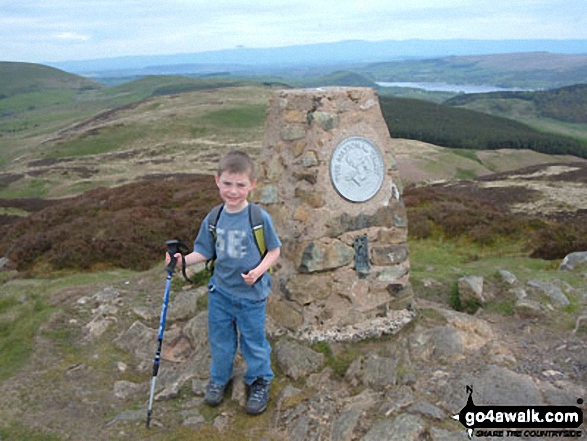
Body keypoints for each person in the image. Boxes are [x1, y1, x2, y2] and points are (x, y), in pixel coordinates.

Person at [166, 150, 281, 416]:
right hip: (221, 294)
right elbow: (204, 252)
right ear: (217, 180)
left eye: (240, 185)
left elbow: (275, 251)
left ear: (252, 185)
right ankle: (219, 379)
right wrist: (181, 262)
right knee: (220, 341)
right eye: (227, 184)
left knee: (253, 341)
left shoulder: (258, 218)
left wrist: (259, 271)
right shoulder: (214, 218)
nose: (233, 191)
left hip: (252, 297)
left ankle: (259, 380)